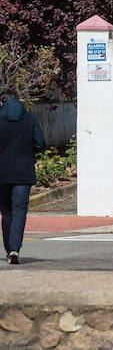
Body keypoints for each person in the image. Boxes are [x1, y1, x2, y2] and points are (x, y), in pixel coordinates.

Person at [0, 92, 46, 264]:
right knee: (20, 211)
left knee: (6, 212)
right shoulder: (30, 119)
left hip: (2, 173)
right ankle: (14, 249)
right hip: (23, 173)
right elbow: (40, 144)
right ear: (18, 100)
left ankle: (8, 249)